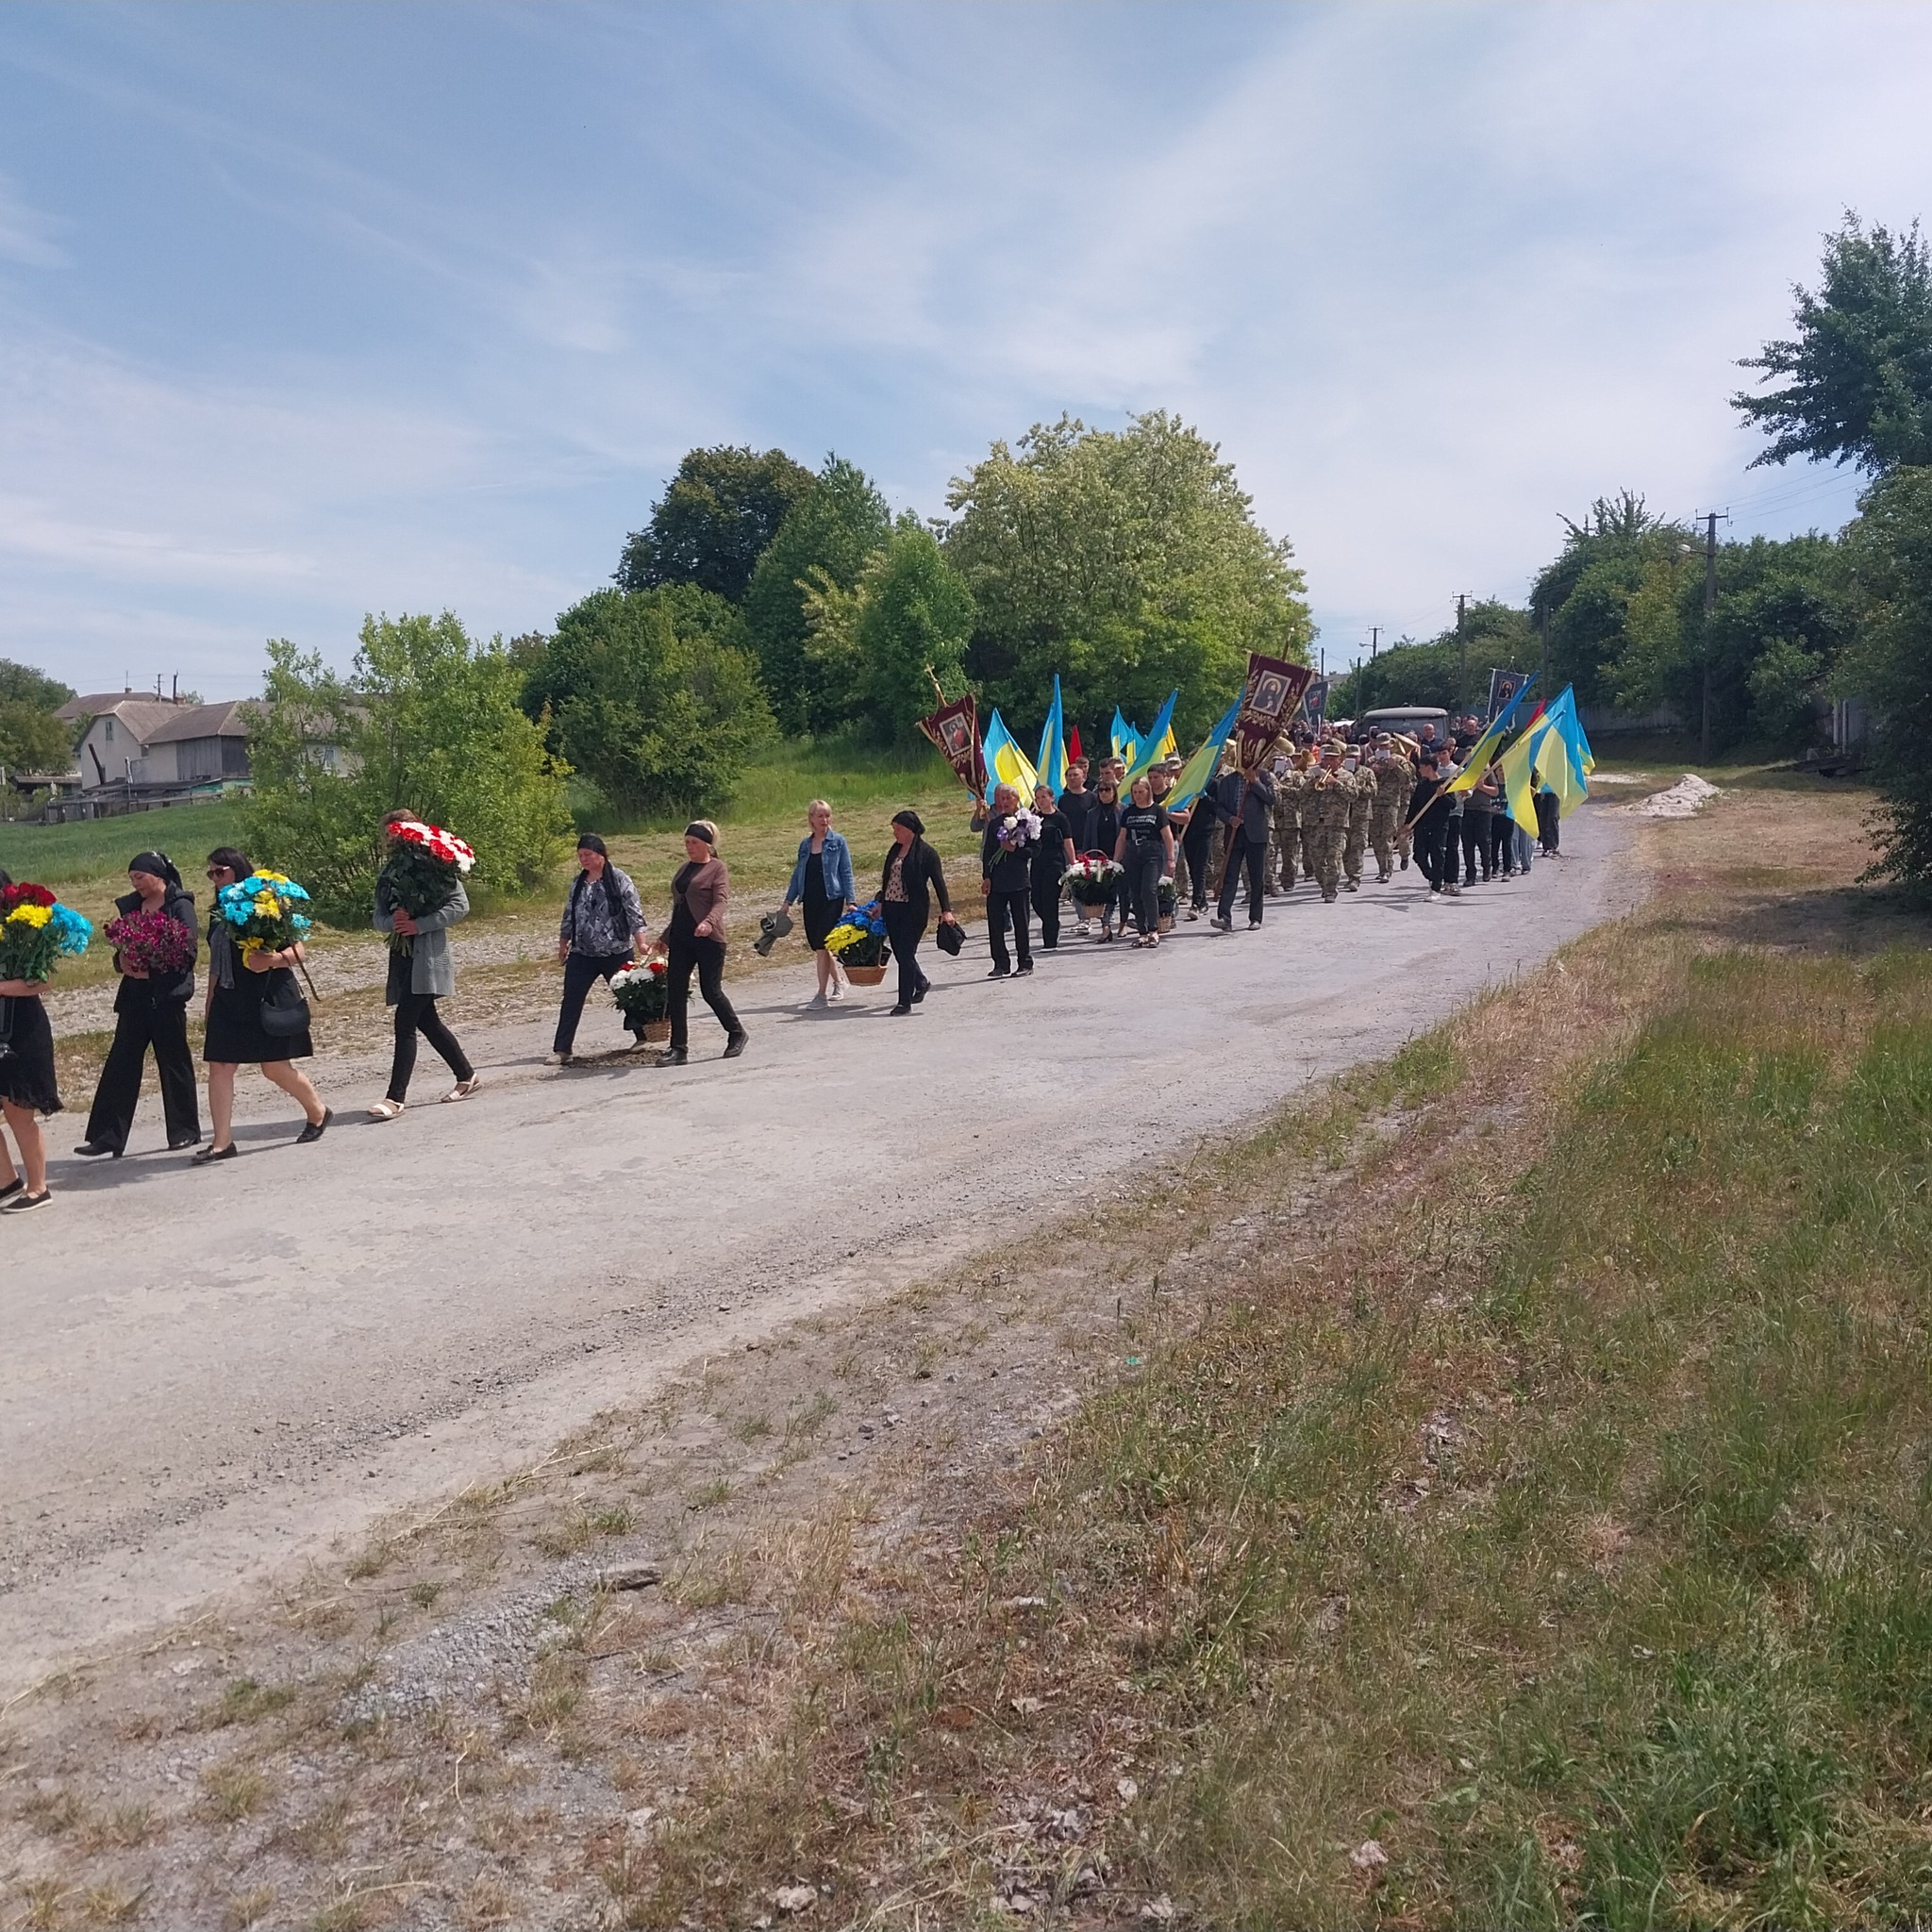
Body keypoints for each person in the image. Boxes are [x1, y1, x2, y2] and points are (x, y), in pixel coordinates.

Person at [195, 847, 330, 1162]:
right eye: (211, 874)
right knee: (221, 1066)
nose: (215, 879)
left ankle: (318, 1112)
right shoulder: (220, 912)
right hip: (228, 999)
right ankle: (222, 1142)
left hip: (265, 996)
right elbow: (217, 963)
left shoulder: (267, 904)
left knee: (274, 1068)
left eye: (220, 871)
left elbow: (300, 951)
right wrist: (209, 1001)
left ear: (238, 870)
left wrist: (273, 959)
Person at [75, 850, 201, 1158]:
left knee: (174, 1063)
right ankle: (107, 1137)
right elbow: (122, 948)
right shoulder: (132, 907)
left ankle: (185, 1131)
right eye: (132, 879)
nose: (136, 884)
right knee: (121, 1063)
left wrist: (153, 969)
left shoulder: (180, 905)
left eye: (140, 877)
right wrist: (123, 962)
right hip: (134, 997)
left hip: (166, 997)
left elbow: (187, 952)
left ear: (158, 875)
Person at [370, 809, 479, 1121]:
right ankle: (466, 1074)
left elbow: (460, 905)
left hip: (428, 956)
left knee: (405, 1022)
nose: (394, 839)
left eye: (400, 832)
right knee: (427, 1021)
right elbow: (377, 916)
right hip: (402, 956)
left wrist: (422, 924)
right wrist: (395, 921)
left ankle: (395, 1099)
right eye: (390, 833)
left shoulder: (436, 868)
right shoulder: (391, 872)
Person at [552, 834, 649, 1062]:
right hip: (582, 953)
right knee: (571, 999)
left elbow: (634, 913)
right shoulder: (578, 883)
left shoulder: (619, 879)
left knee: (627, 995)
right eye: (580, 856)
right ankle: (562, 1049)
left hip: (615, 951)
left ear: (601, 855)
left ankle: (642, 1036)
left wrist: (641, 942)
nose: (583, 859)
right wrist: (563, 943)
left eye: (588, 855)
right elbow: (569, 915)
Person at [656, 821, 746, 1065]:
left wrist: (708, 922)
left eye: (694, 843)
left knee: (711, 990)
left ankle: (737, 1033)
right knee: (675, 991)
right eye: (686, 842)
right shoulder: (684, 868)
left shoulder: (717, 868)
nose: (689, 847)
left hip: (709, 939)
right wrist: (665, 937)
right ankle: (678, 1048)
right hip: (681, 938)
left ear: (707, 845)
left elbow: (721, 901)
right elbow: (679, 906)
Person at [0, 867, 59, 1209]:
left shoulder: (26, 929)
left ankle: (38, 1188)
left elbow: (45, 980)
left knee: (18, 1110)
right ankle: (7, 1181)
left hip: (20, 1028)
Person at [878, 810, 958, 1015]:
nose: (895, 833)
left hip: (913, 911)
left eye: (899, 829)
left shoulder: (927, 853)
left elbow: (939, 883)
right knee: (900, 952)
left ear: (911, 829)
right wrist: (880, 902)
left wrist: (946, 910)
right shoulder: (894, 850)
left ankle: (904, 1002)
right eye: (894, 829)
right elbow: (888, 879)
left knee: (906, 954)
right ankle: (921, 982)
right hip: (892, 908)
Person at [781, 799, 857, 1008]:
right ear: (811, 819)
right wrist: (788, 901)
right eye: (820, 816)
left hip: (832, 898)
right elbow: (799, 874)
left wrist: (851, 901)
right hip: (811, 900)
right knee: (820, 946)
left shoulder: (838, 841)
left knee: (824, 944)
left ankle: (821, 995)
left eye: (827, 815)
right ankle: (839, 983)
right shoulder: (805, 845)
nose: (825, 820)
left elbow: (846, 872)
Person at [980, 783, 1036, 978]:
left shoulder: (1027, 822)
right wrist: (986, 876)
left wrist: (1016, 850)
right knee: (995, 925)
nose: (1004, 802)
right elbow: (987, 853)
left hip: (1018, 881)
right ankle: (1001, 963)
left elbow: (1034, 850)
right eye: (1001, 799)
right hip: (997, 882)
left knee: (1021, 923)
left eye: (1008, 798)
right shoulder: (995, 823)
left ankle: (1025, 962)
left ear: (1016, 799)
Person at [1212, 757, 1275, 930]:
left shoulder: (1263, 776)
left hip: (1256, 834)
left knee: (1257, 877)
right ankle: (1224, 917)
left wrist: (1255, 782)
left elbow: (1271, 799)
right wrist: (1229, 818)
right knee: (1230, 876)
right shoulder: (1227, 781)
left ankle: (1255, 917)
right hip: (1234, 833)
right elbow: (1219, 807)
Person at [1113, 774, 1174, 948]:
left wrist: (1170, 859)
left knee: (1149, 891)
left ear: (1148, 791)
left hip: (1152, 853)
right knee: (1136, 893)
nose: (1138, 795)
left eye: (1141, 791)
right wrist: (1115, 861)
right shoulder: (1128, 812)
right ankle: (1142, 931)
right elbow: (1122, 838)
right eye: (1135, 792)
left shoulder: (1157, 810)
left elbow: (1167, 836)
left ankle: (1154, 930)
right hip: (1132, 854)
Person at [1300, 750, 1355, 902]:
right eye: (1326, 759)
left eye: (1333, 759)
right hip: (1316, 824)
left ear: (1339, 761)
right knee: (1316, 859)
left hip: (1336, 824)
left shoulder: (1347, 776)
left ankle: (1331, 890)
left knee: (1334, 858)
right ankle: (1323, 885)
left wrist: (1336, 784)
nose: (1329, 762)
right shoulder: (1312, 775)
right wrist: (1312, 782)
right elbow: (1301, 795)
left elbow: (1353, 795)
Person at [1029, 784, 1077, 950]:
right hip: (1037, 861)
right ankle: (1052, 923)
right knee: (1036, 900)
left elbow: (1068, 841)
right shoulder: (1033, 817)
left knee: (1049, 900)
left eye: (1044, 797)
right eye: (1038, 797)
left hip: (1055, 861)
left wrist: (1073, 863)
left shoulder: (1060, 818)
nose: (1041, 800)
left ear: (1051, 798)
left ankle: (1049, 940)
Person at [1409, 752, 1461, 898]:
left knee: (1437, 855)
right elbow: (1414, 806)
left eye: (1421, 767)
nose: (1419, 770)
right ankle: (1433, 877)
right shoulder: (1421, 785)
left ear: (1429, 767)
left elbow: (1452, 805)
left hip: (1439, 825)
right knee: (1418, 855)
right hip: (1422, 825)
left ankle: (1436, 889)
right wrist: (1408, 824)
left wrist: (1442, 795)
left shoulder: (1444, 784)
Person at [1086, 777, 1125, 940]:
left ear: (1114, 792)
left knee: (1122, 892)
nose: (1103, 793)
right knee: (1105, 894)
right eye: (1100, 790)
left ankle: (1123, 923)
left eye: (1107, 790)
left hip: (1120, 857)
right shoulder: (1092, 813)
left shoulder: (1122, 810)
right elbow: (1088, 837)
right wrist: (1087, 860)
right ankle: (1106, 926)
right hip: (1100, 858)